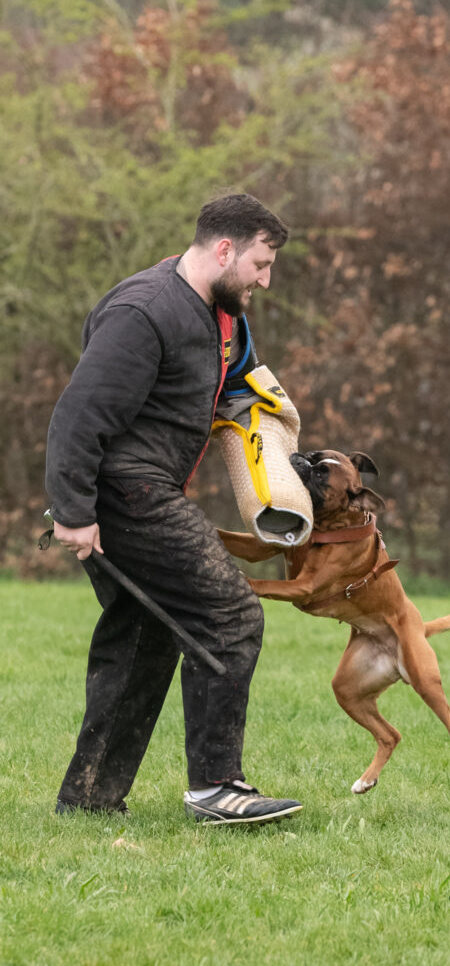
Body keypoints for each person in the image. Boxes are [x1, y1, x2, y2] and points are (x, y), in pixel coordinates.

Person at [46, 192, 303, 824]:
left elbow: (241, 379)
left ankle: (90, 796)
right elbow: (78, 418)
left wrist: (273, 433)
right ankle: (217, 786)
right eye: (260, 263)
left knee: (143, 634)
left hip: (147, 488)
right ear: (224, 249)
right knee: (230, 615)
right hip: (127, 492)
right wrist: (73, 511)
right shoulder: (144, 311)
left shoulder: (222, 312)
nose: (265, 280)